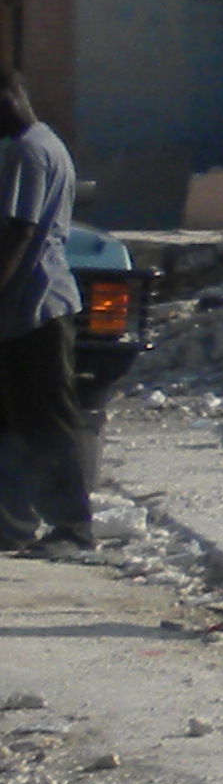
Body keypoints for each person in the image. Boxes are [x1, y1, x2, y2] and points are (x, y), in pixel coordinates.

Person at [0, 71, 88, 554]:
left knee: (48, 422)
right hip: (22, 311)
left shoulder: (27, 151)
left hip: (36, 306)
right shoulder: (44, 142)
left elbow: (18, 232)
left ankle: (73, 527)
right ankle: (14, 525)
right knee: (15, 423)